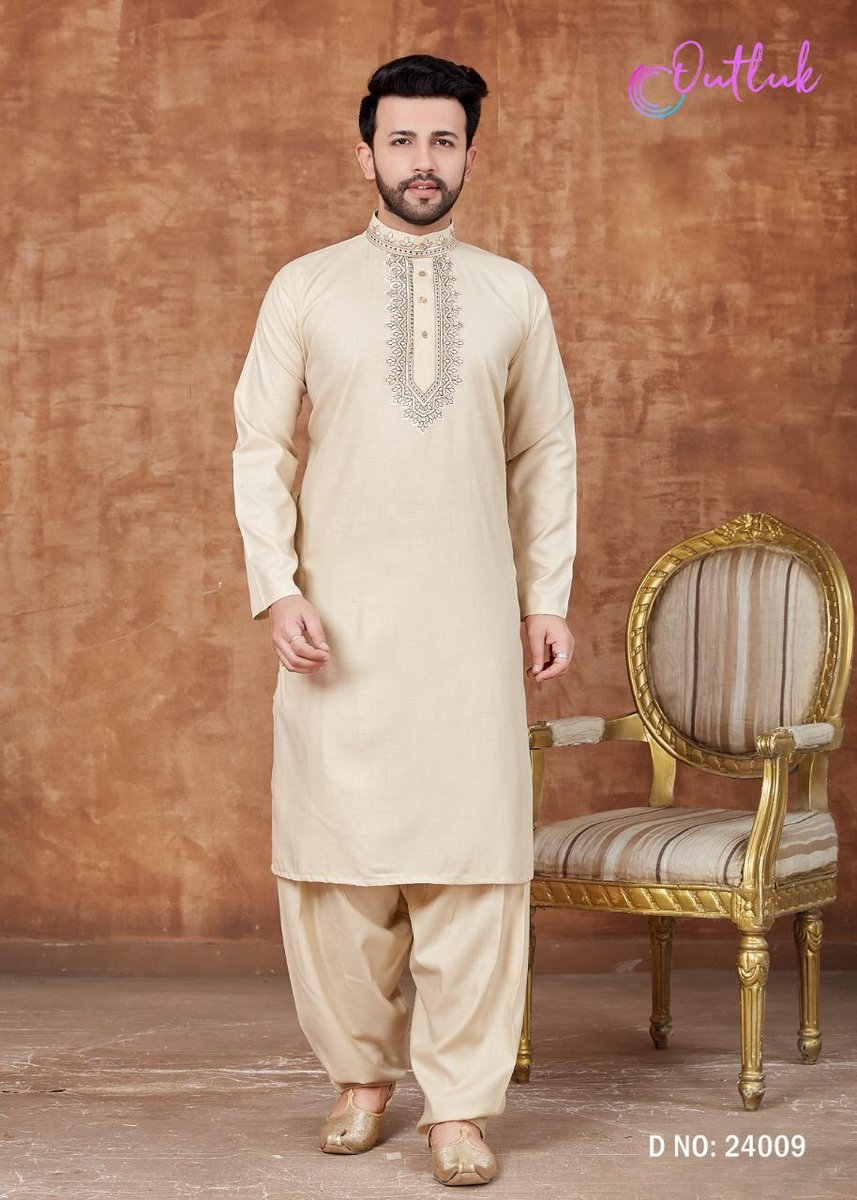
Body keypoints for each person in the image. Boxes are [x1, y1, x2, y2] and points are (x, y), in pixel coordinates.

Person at [231, 53, 577, 1187]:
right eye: (401, 140)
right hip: (337, 626)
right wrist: (278, 586)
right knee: (337, 865)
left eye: (442, 141)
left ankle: (459, 1107)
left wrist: (543, 597)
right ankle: (361, 1079)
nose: (421, 161)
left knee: (473, 865)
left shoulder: (512, 293)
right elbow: (259, 448)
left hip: (467, 624)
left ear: (468, 154)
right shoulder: (304, 288)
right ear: (365, 152)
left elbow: (543, 454)